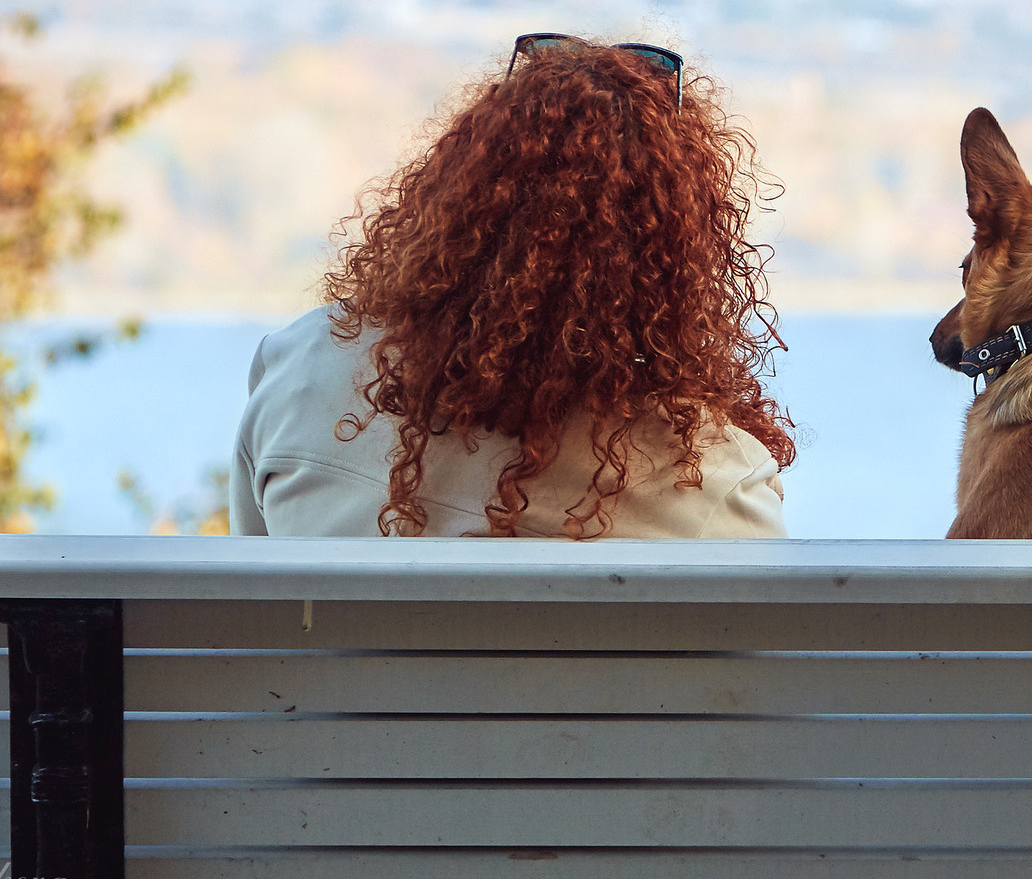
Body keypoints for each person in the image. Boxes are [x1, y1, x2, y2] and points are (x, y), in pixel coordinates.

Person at [233, 34, 795, 538]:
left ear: (457, 203)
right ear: (673, 257)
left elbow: (252, 613)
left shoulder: (297, 372)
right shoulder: (716, 489)